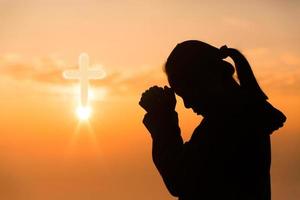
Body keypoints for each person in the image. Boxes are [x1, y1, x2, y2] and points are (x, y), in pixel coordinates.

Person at [139, 40, 286, 200]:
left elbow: (181, 180)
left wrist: (163, 121)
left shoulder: (227, 124)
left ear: (206, 81)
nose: (187, 105)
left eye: (187, 94)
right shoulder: (245, 114)